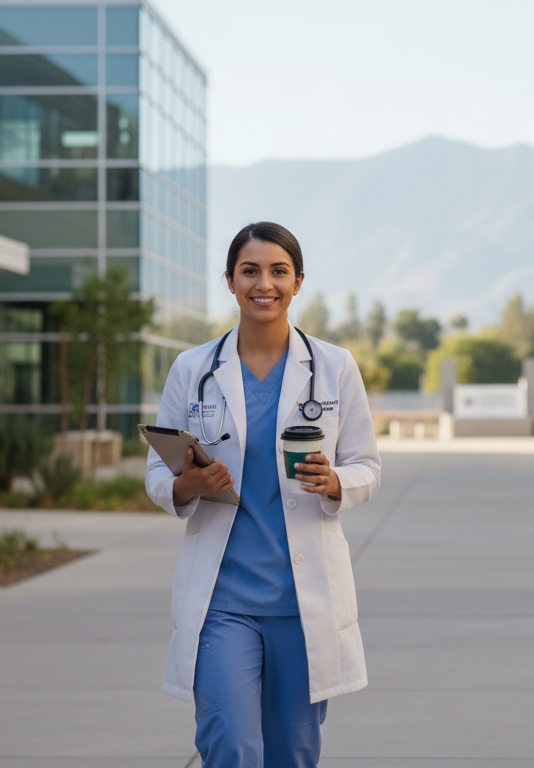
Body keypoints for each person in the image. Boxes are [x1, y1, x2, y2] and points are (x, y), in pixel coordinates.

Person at [144, 221, 381, 767]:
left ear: (298, 282)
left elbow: (366, 464)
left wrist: (338, 481)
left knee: (292, 754)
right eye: (250, 271)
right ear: (230, 280)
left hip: (303, 599)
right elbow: (157, 475)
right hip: (223, 600)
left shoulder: (335, 367)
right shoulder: (193, 369)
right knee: (229, 744)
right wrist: (187, 485)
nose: (263, 284)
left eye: (278, 271)